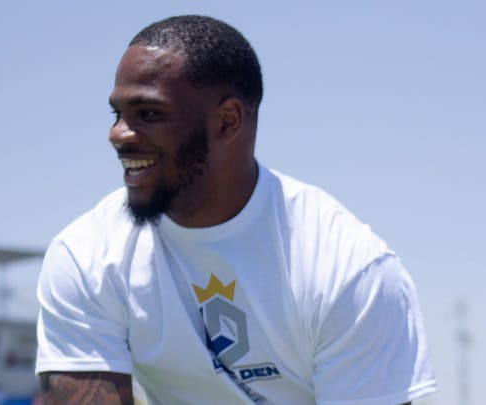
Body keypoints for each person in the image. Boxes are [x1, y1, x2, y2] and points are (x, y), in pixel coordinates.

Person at [35, 15, 436, 405]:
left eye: (149, 113)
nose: (117, 134)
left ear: (228, 121)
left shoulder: (350, 269)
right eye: (117, 113)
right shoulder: (87, 254)